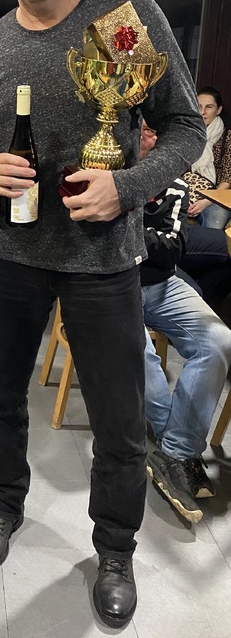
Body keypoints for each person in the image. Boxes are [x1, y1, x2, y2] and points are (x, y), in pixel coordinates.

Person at [0, 0, 205, 630]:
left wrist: (125, 187)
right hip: (13, 254)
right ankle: (3, 508)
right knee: (1, 398)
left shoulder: (124, 21)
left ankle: (115, 551)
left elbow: (185, 128)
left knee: (119, 417)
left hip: (103, 258)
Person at [139, 122, 231, 523]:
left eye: (153, 131)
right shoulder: (102, 170)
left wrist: (124, 228)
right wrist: (145, 234)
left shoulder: (172, 181)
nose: (147, 137)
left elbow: (170, 250)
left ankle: (173, 453)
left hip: (162, 282)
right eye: (140, 128)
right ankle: (178, 451)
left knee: (219, 341)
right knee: (139, 354)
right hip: (108, 285)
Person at [184, 87, 231, 228]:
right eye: (199, 106)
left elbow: (227, 178)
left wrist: (207, 201)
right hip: (184, 189)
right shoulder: (184, 132)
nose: (202, 112)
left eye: (209, 107)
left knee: (216, 220)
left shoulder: (227, 137)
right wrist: (183, 196)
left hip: (216, 194)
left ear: (219, 110)